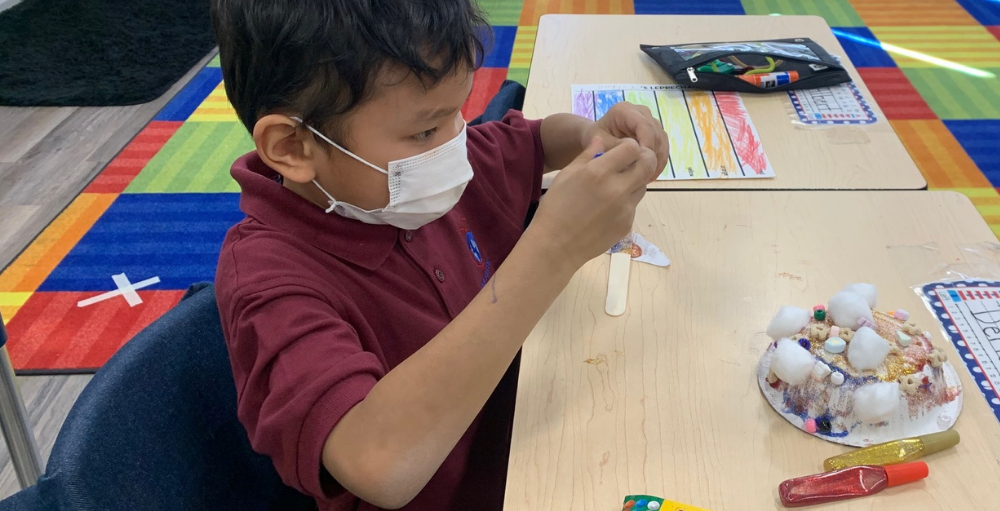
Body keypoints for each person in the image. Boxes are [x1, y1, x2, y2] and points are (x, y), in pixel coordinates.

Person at [210, 0, 669, 509]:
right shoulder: (267, 281)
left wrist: (590, 135)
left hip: (537, 439)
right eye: (426, 130)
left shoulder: (415, 175)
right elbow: (378, 463)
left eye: (460, 112)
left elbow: (534, 141)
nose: (456, 142)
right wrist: (553, 249)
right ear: (293, 147)